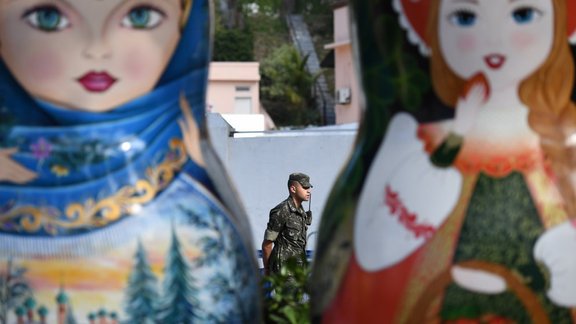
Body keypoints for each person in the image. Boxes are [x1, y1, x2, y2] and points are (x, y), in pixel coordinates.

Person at [0, 0, 260, 322]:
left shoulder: (190, 192)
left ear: (186, 22)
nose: (97, 49)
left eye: (139, 16)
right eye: (48, 18)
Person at [316, 0, 576, 322]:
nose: (494, 39)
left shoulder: (565, 148)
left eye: (522, 14)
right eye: (466, 17)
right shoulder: (415, 142)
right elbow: (371, 253)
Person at [262, 172, 313, 277]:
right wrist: (268, 271)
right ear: (293, 189)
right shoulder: (282, 210)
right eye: (304, 187)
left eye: (309, 187)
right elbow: (267, 244)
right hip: (284, 272)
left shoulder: (301, 211)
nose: (308, 191)